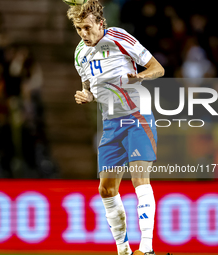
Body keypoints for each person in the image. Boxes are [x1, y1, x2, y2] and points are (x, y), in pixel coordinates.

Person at [67, 1, 165, 255]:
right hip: (111, 123)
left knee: (139, 179)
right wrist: (86, 96)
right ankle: (123, 250)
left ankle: (147, 249)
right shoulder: (80, 53)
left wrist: (140, 76)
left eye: (87, 28)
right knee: (106, 189)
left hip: (137, 116)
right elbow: (89, 88)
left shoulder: (119, 37)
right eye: (79, 29)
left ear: (100, 24)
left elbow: (158, 68)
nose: (83, 34)